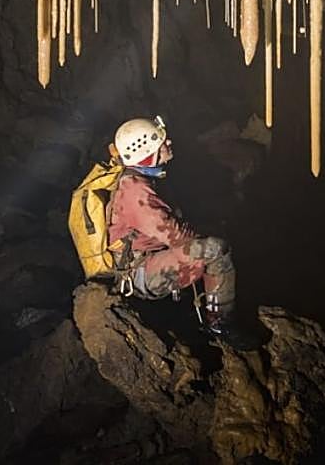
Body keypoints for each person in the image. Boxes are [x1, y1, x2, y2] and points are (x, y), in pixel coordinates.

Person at [102, 115, 242, 341]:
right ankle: (219, 322)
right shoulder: (136, 193)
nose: (169, 144)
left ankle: (205, 297)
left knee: (214, 232)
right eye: (162, 143)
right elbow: (178, 238)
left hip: (149, 254)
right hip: (140, 274)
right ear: (147, 153)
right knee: (217, 250)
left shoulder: (143, 179)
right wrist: (207, 240)